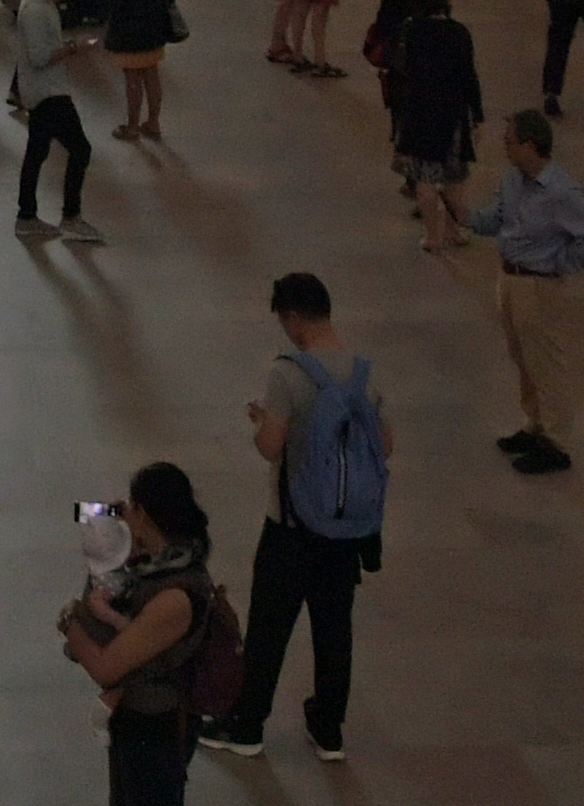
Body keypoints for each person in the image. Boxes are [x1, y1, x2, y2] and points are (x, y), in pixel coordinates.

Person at [197, 272, 382, 763]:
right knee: (333, 628)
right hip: (345, 530)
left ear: (295, 316)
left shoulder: (288, 373)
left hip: (292, 527)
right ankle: (328, 728)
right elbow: (385, 445)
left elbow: (271, 447)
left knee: (270, 628)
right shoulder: (363, 372)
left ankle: (248, 722)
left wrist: (261, 422)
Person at [465, 108, 584, 474]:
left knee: (545, 362)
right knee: (522, 357)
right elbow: (493, 219)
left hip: (538, 285)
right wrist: (463, 215)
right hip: (510, 279)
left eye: (510, 142)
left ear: (531, 146)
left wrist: (561, 263)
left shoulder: (561, 192)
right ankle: (535, 424)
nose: (505, 148)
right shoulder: (512, 181)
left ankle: (557, 441)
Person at [54, 460, 213, 806]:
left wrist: (69, 621)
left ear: (142, 512)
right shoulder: (159, 557)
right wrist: (113, 518)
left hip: (155, 726)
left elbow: (106, 667)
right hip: (135, 717)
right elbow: (81, 511)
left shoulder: (175, 595)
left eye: (130, 506)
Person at [13, 0, 105, 242]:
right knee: (80, 150)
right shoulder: (36, 11)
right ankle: (70, 216)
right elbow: (40, 57)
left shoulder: (40, 4)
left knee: (37, 152)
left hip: (41, 91)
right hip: (48, 93)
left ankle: (27, 217)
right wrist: (74, 48)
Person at [390, 0, 483, 255]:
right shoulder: (459, 33)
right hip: (452, 114)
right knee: (454, 176)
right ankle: (453, 230)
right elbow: (469, 78)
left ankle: (432, 236)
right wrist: (477, 115)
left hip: (419, 113)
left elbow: (399, 69)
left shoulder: (410, 31)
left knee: (425, 178)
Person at [100, 0, 175, 143]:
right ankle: (153, 122)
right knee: (152, 76)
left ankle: (132, 126)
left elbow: (117, 2)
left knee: (132, 80)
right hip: (153, 32)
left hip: (130, 37)